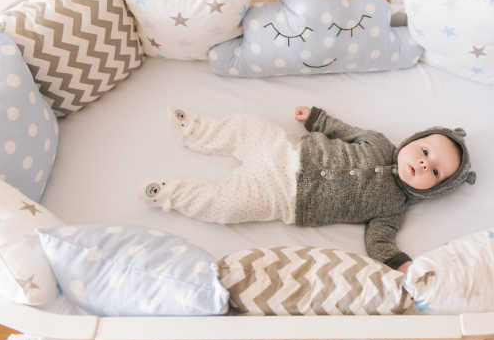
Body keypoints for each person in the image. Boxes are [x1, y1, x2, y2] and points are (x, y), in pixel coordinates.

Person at [141, 106, 476, 272]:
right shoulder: (377, 141)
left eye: (434, 171)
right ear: (415, 140)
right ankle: (197, 131)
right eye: (426, 152)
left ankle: (171, 194)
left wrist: (398, 262)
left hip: (283, 197)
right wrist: (316, 118)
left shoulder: (392, 207)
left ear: (433, 190)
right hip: (285, 151)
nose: (422, 164)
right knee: (248, 126)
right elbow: (344, 130)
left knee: (225, 206)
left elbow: (379, 241)